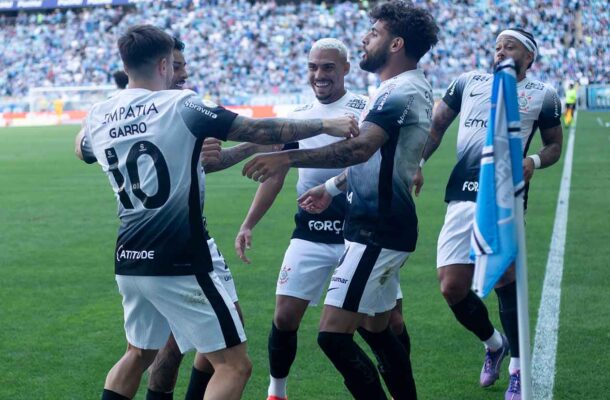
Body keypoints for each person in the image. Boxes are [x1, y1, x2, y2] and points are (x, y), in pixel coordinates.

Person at [75, 24, 358, 400]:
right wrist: (326, 123)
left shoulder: (99, 114)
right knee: (234, 365)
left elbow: (81, 149)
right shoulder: (181, 103)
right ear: (164, 64)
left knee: (138, 353)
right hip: (179, 256)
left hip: (129, 257)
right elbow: (252, 127)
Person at [242, 2, 439, 398]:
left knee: (333, 336)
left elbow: (361, 150)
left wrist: (287, 157)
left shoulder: (400, 91)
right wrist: (330, 188)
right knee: (380, 329)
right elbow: (374, 160)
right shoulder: (392, 89)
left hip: (376, 229)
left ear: (396, 43)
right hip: (374, 226)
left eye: (375, 33)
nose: (366, 38)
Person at [412, 28, 563, 400]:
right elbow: (436, 126)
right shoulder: (467, 83)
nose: (500, 52)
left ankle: (516, 371)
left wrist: (532, 160)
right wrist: (417, 162)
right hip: (461, 194)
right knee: (451, 287)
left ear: (529, 57)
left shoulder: (543, 95)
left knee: (504, 278)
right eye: (496, 47)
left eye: (509, 47)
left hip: (503, 197)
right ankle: (495, 344)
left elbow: (554, 145)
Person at [233, 38, 369, 400]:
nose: (319, 74)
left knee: (381, 322)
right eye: (313, 67)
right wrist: (249, 223)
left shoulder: (365, 107)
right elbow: (276, 174)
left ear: (345, 69)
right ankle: (277, 391)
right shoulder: (299, 117)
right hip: (309, 232)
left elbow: (365, 158)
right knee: (284, 317)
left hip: (359, 232)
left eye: (327, 67)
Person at [144, 37, 277, 400]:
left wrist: (252, 149)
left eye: (185, 66)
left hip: (194, 242)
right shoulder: (165, 112)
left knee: (221, 332)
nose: (185, 73)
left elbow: (209, 165)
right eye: (177, 66)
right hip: (176, 245)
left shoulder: (181, 110)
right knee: (181, 347)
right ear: (161, 68)